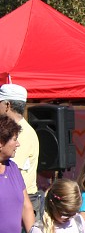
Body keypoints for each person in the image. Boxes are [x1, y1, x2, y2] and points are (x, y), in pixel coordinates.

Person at [0, 116, 34, 233]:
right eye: (14, 139)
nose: (18, 144)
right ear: (0, 143)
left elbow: (26, 207)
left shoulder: (12, 168)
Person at [1, 84, 40, 212]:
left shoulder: (23, 133)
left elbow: (10, 169)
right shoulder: (14, 130)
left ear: (7, 105)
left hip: (22, 201)